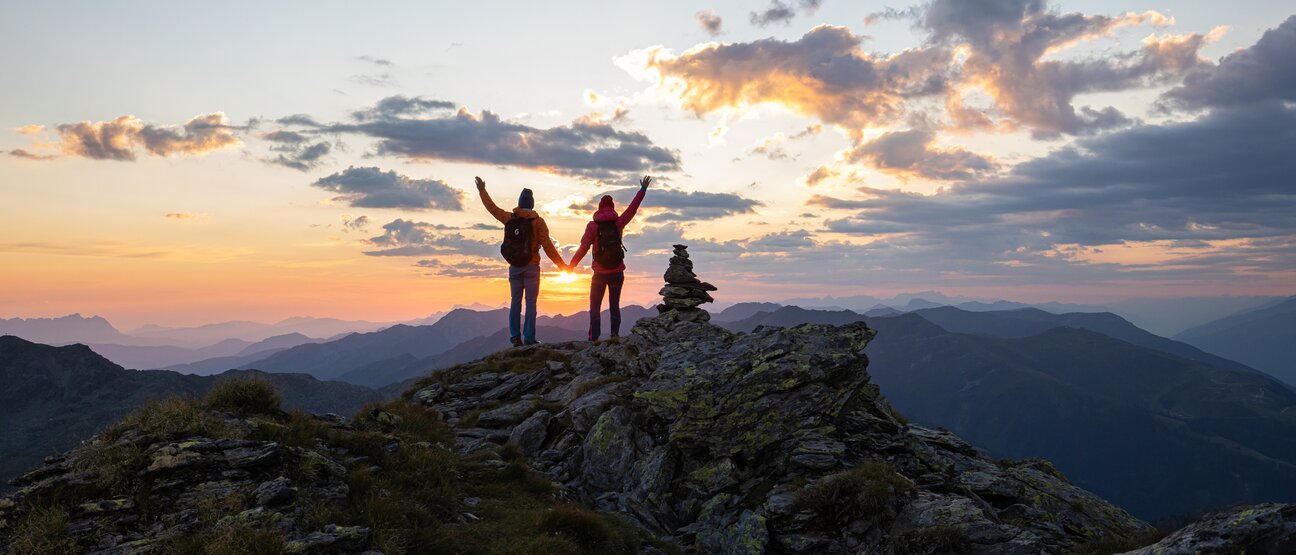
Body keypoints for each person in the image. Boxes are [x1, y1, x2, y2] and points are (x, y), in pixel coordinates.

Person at [476, 176, 566, 346]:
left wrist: (482, 190)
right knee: (531, 303)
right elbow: (548, 247)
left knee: (515, 301)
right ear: (532, 204)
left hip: (515, 267)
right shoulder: (538, 222)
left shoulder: (510, 218)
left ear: (519, 202)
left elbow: (492, 208)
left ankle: (515, 338)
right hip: (532, 266)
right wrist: (562, 266)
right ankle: (530, 338)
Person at [568, 175, 651, 340]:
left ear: (599, 208)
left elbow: (584, 247)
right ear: (612, 208)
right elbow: (632, 209)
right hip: (617, 271)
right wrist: (642, 190)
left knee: (595, 306)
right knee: (614, 305)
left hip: (600, 273)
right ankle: (614, 335)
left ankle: (594, 338)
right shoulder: (618, 222)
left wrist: (572, 265)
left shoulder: (592, 226)